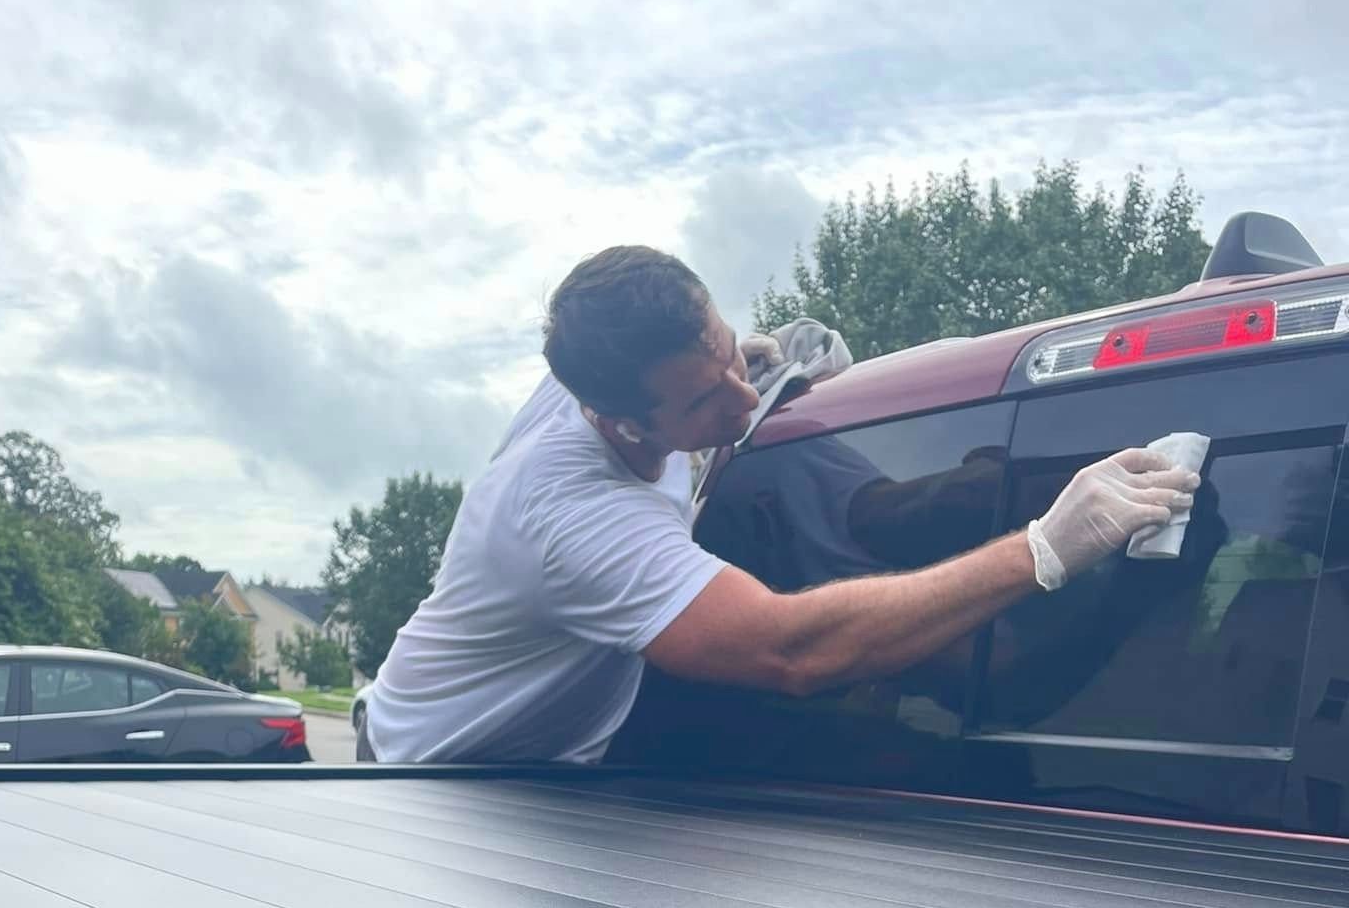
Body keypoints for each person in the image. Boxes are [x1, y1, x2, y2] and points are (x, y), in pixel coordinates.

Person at [362, 246, 1198, 764]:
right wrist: (1042, 549)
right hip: (441, 776)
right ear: (615, 419)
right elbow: (788, 650)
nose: (737, 406)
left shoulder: (602, 360)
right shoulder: (575, 518)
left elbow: (704, 371)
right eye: (699, 404)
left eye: (729, 354)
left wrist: (754, 356)